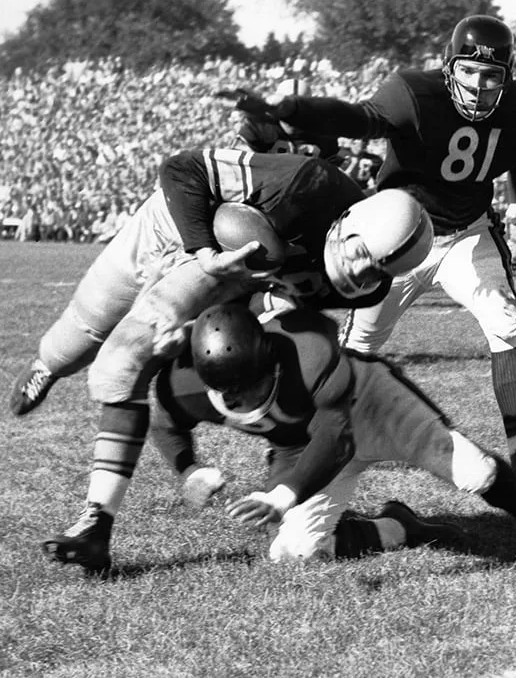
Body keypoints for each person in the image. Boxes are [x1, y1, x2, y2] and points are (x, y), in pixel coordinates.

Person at [15, 145, 433, 559]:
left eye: (376, 269)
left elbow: (269, 310)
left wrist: (193, 333)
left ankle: (96, 525)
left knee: (124, 364)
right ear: (347, 223)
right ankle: (47, 365)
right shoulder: (302, 186)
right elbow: (181, 169)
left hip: (240, 272)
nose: (360, 271)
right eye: (359, 255)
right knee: (79, 334)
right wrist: (203, 251)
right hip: (182, 231)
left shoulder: (362, 287)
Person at [222, 15, 516, 503]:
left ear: (508, 77)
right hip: (398, 235)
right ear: (448, 67)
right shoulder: (414, 94)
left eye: (492, 76)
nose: (479, 85)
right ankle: (306, 446)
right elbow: (358, 118)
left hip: (467, 232)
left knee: (507, 324)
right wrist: (294, 110)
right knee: (357, 346)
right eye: (469, 71)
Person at [42, 303, 516, 572]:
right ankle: (399, 526)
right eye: (230, 391)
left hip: (371, 407)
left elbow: (336, 438)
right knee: (296, 554)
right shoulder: (186, 384)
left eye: (252, 383)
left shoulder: (310, 355)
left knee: (475, 472)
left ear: (270, 356)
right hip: (302, 443)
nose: (242, 398)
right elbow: (166, 420)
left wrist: (281, 494)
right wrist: (187, 467)